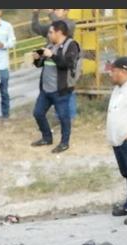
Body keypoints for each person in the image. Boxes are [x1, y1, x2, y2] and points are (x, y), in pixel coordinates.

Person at [31, 21, 81, 154]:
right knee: (38, 113)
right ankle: (47, 137)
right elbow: (40, 65)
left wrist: (51, 55)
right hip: (46, 89)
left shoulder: (71, 45)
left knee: (63, 117)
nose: (48, 35)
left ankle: (64, 143)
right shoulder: (50, 45)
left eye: (51, 32)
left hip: (61, 90)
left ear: (59, 32)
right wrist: (36, 58)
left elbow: (67, 64)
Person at [106, 57, 127, 222]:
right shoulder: (118, 88)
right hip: (119, 141)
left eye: (113, 71)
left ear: (122, 71)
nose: (110, 74)